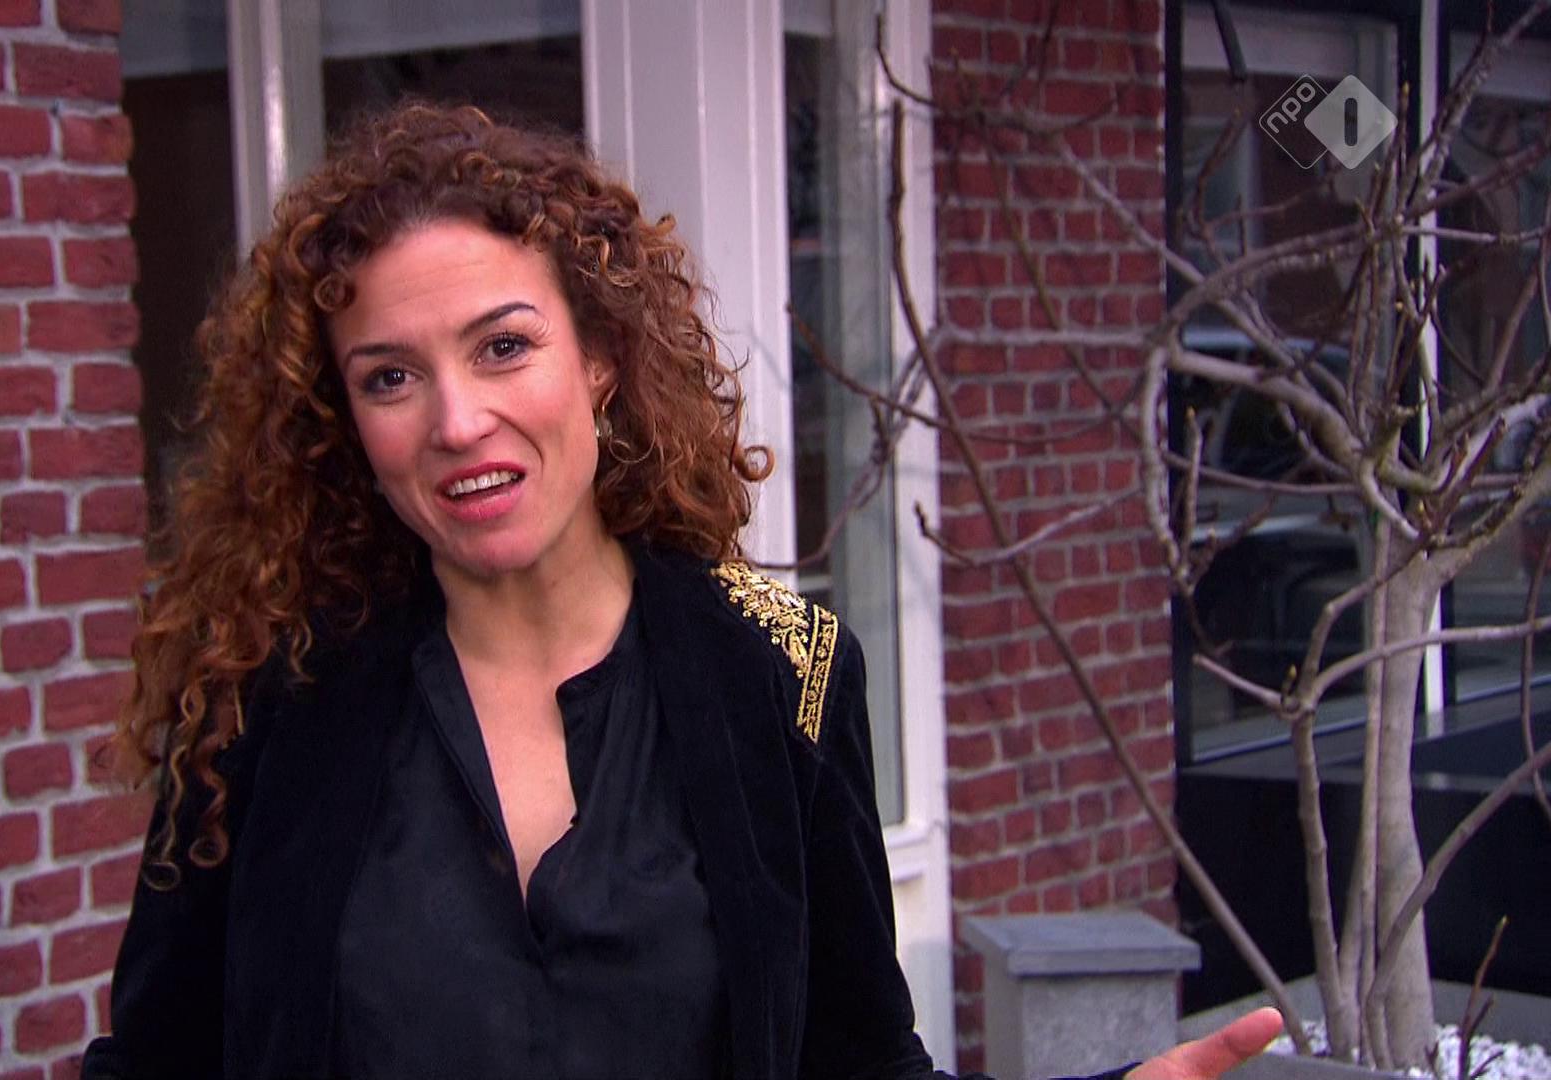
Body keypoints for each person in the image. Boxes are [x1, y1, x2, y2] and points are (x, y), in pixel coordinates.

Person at [80, 103, 1281, 1080]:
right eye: (390, 377)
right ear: (344, 419)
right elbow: (158, 1061)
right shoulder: (266, 696)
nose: (457, 421)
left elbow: (858, 1064)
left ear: (600, 359)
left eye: (504, 347)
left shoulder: (783, 674)